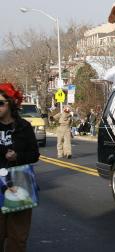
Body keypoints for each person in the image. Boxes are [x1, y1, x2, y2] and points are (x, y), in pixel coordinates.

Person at [0, 83, 40, 252]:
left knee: (17, 238)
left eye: (0, 103)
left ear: (11, 103)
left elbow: (34, 154)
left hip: (19, 183)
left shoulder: (24, 127)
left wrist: (18, 156)